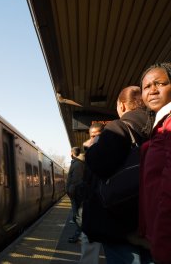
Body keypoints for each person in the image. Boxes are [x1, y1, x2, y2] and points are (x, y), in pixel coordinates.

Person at [84, 86, 153, 264]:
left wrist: (91, 148)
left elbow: (99, 164)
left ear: (122, 105)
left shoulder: (119, 127)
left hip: (121, 225)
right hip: (151, 221)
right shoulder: (158, 128)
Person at [139, 62, 171, 264]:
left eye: (159, 83)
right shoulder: (160, 125)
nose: (152, 90)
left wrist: (162, 246)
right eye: (147, 86)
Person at [78, 123, 104, 264]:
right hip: (92, 204)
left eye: (98, 136)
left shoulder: (108, 150)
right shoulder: (90, 153)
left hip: (101, 205)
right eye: (92, 136)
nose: (94, 139)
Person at [66, 147, 85, 243]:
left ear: (72, 153)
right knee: (77, 216)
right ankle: (79, 235)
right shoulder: (77, 163)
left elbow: (76, 181)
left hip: (77, 194)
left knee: (77, 216)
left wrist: (70, 191)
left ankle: (79, 236)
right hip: (76, 194)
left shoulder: (77, 164)